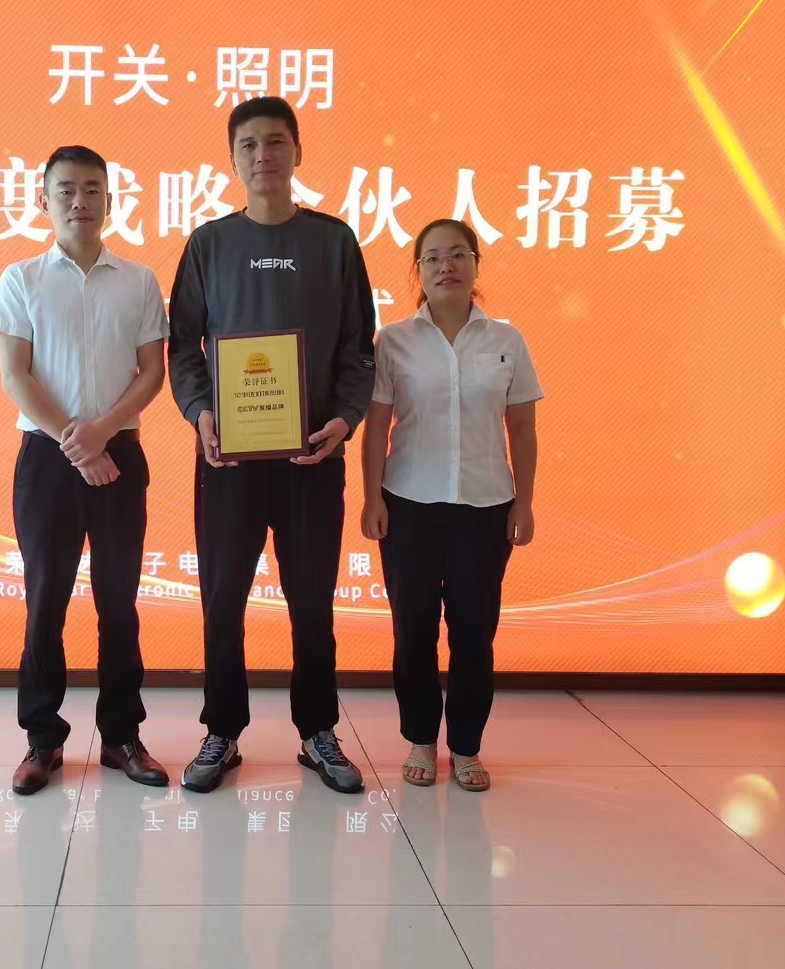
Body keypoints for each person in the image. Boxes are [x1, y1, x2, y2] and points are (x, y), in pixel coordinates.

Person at [168, 96, 376, 794]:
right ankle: (221, 731)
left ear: (298, 152)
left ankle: (318, 732)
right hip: (228, 460)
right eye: (250, 145)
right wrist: (201, 414)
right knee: (222, 599)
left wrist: (344, 420)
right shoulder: (209, 244)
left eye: (276, 142)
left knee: (312, 602)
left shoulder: (334, 242)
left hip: (313, 457)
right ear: (233, 160)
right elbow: (183, 348)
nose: (264, 156)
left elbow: (359, 348)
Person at [0, 145, 171, 795]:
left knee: (119, 603)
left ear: (110, 200)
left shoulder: (138, 280)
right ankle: (43, 740)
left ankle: (122, 736)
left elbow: (153, 372)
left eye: (92, 189)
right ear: (44, 201)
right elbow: (15, 374)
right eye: (65, 189)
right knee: (46, 602)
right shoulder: (21, 279)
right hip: (47, 460)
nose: (79, 201)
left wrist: (101, 434)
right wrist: (77, 442)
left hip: (120, 454)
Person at [360, 218, 541, 792]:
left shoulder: (506, 340)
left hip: (485, 506)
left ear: (475, 264)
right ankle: (420, 739)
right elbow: (376, 428)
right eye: (433, 257)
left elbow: (523, 429)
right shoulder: (393, 340)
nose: (447, 266)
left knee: (473, 634)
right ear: (418, 271)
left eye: (458, 254)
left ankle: (466, 746)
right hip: (409, 505)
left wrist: (525, 503)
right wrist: (371, 497)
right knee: (413, 631)